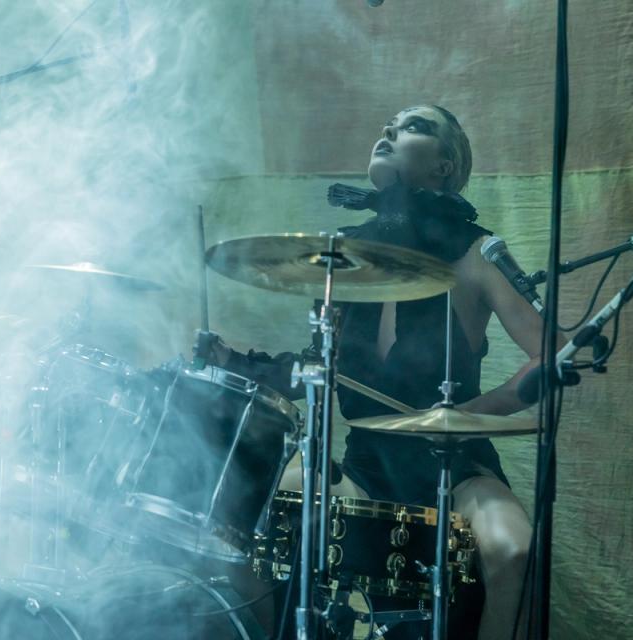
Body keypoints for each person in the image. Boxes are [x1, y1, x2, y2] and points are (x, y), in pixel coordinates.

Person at [213, 105, 541, 640]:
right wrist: (239, 365)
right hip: (365, 465)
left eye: (414, 127)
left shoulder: (477, 253)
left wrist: (461, 415)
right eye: (387, 125)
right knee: (240, 526)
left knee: (515, 551)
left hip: (455, 465)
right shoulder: (345, 256)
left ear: (445, 166)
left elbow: (549, 357)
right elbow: (318, 370)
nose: (389, 132)